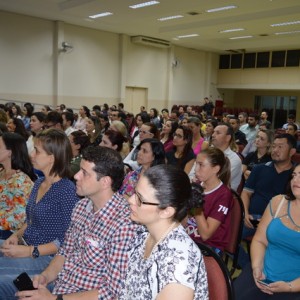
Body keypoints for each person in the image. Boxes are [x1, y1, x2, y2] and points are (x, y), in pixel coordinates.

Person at [16, 146, 140, 299]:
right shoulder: (81, 207)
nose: (76, 176)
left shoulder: (124, 224)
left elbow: (112, 292)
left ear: (105, 182)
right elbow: (65, 252)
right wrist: (45, 277)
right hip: (60, 287)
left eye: (85, 173)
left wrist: (55, 299)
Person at [0, 129, 80, 298]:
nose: (32, 154)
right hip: (27, 245)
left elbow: (67, 241)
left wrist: (29, 251)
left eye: (37, 150)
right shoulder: (40, 183)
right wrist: (16, 235)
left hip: (47, 258)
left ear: (52, 158)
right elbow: (30, 220)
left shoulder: (67, 191)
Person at [119, 164, 209, 299]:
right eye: (134, 193)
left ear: (166, 211)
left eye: (140, 198)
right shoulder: (143, 232)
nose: (131, 200)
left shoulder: (178, 263)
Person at [234, 164, 300, 299]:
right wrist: (256, 267)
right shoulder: (278, 202)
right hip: (262, 274)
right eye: (295, 175)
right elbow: (259, 240)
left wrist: (290, 287)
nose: (296, 180)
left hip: (294, 285)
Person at [186, 147, 232, 254]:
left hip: (209, 247)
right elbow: (183, 220)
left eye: (201, 165)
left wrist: (196, 205)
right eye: (196, 164)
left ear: (216, 169)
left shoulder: (224, 195)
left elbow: (206, 234)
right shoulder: (196, 186)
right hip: (189, 238)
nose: (196, 169)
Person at [0, 132, 36, 240]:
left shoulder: (22, 181)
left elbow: (19, 219)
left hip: (7, 235)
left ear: (10, 152)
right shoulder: (2, 172)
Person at [211, 123, 243, 192]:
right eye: (213, 132)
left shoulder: (234, 159)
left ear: (228, 138)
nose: (213, 135)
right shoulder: (207, 153)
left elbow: (217, 182)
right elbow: (193, 172)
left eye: (218, 133)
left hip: (222, 196)